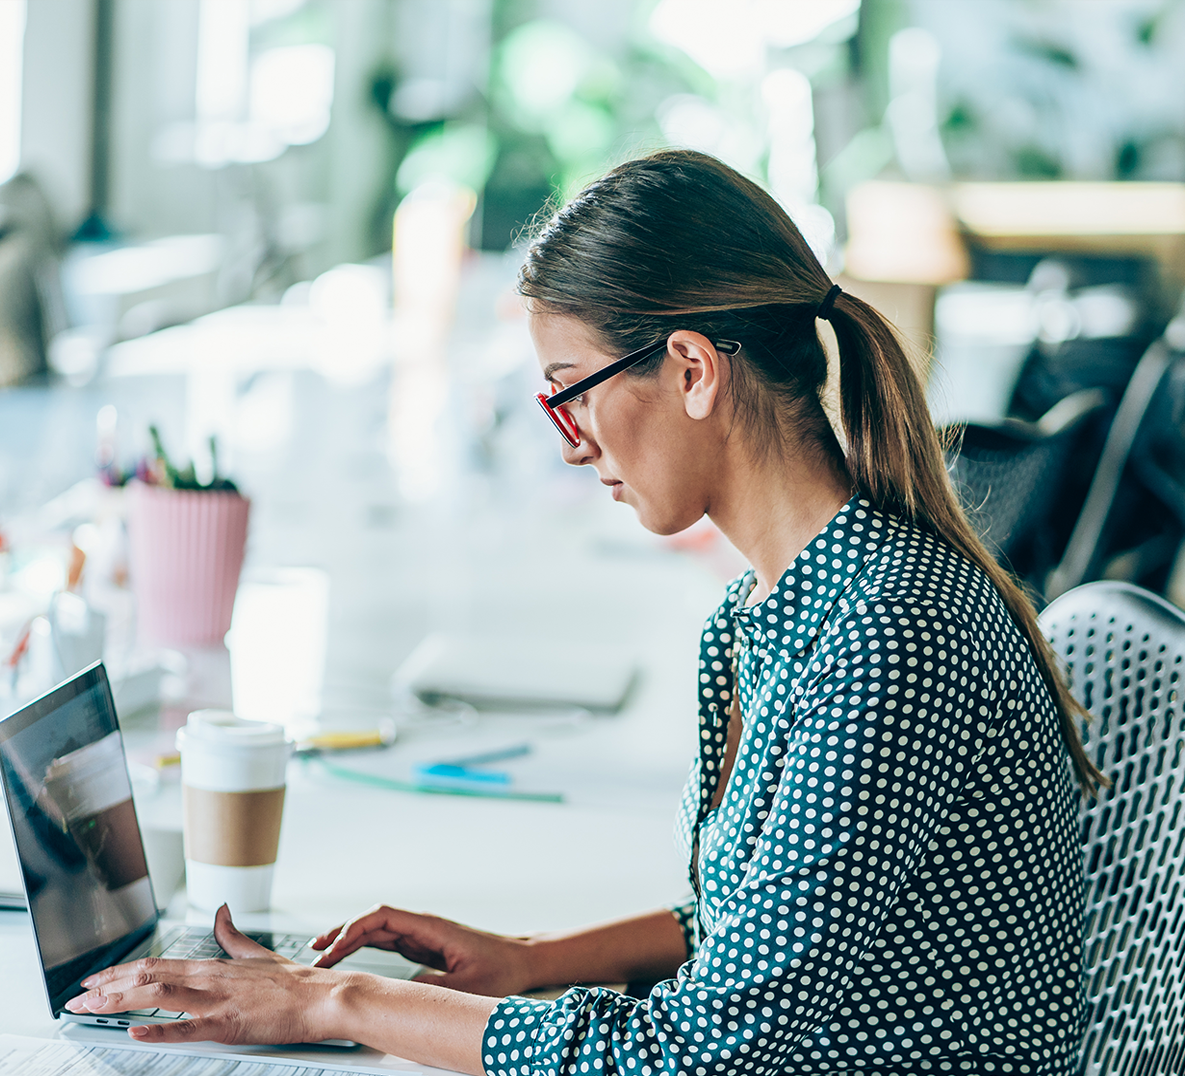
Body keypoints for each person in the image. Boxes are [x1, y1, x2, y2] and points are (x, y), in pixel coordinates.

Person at [66, 150, 1104, 1075]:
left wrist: (339, 999)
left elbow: (696, 1050)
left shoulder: (889, 631)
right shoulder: (770, 608)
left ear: (692, 368)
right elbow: (741, 928)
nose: (567, 440)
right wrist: (523, 964)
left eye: (572, 390)